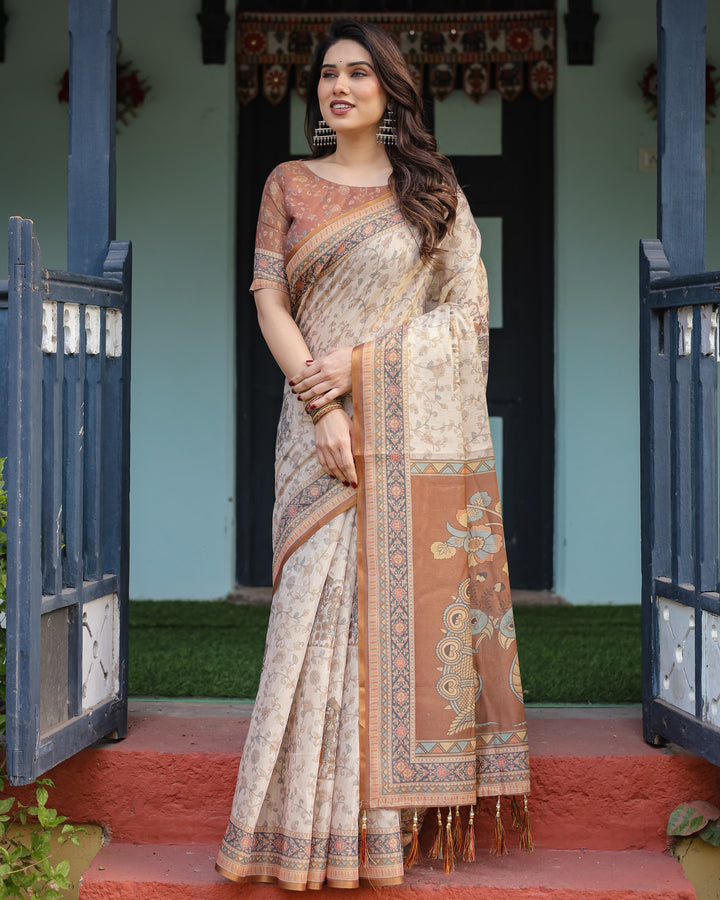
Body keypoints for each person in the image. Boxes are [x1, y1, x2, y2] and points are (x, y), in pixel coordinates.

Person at [216, 19, 530, 890]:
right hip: (314, 426)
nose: (339, 86)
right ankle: (290, 834)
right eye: (327, 74)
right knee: (310, 616)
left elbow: (465, 318)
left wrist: (359, 369)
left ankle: (379, 839)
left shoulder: (431, 191)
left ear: (391, 90)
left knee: (390, 621)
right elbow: (270, 301)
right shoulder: (288, 182)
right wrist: (323, 405)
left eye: (359, 73)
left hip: (403, 433)